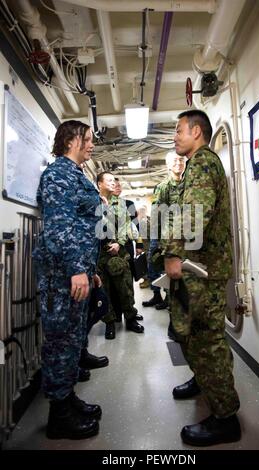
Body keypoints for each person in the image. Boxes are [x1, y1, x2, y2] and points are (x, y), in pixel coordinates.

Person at [164, 110, 241, 446]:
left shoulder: (203, 162)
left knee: (207, 342)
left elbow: (195, 212)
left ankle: (226, 418)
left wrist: (171, 251)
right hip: (202, 267)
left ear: (196, 131)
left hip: (203, 270)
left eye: (179, 130)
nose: (175, 137)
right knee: (195, 337)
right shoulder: (198, 164)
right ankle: (202, 381)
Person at [33, 120, 103, 440]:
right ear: (73, 140)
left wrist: (89, 270)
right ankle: (58, 416)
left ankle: (68, 397)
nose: (91, 145)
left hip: (76, 273)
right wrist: (77, 268)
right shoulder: (58, 174)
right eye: (87, 140)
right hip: (60, 277)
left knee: (74, 340)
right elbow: (60, 228)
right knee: (60, 342)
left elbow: (80, 226)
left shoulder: (75, 174)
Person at [96, 172, 144, 339]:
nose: (113, 183)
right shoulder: (93, 201)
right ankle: (110, 322)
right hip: (100, 253)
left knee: (125, 288)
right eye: (108, 180)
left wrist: (119, 243)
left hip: (120, 252)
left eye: (114, 181)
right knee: (105, 289)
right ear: (99, 184)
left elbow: (126, 226)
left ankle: (130, 319)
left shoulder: (122, 204)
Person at [142, 152, 186, 314]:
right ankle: (158, 296)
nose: (179, 163)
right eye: (175, 160)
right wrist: (158, 242)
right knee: (156, 266)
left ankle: (170, 299)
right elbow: (157, 215)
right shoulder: (163, 187)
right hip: (166, 237)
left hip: (185, 237)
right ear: (168, 165)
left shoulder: (189, 184)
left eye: (181, 160)